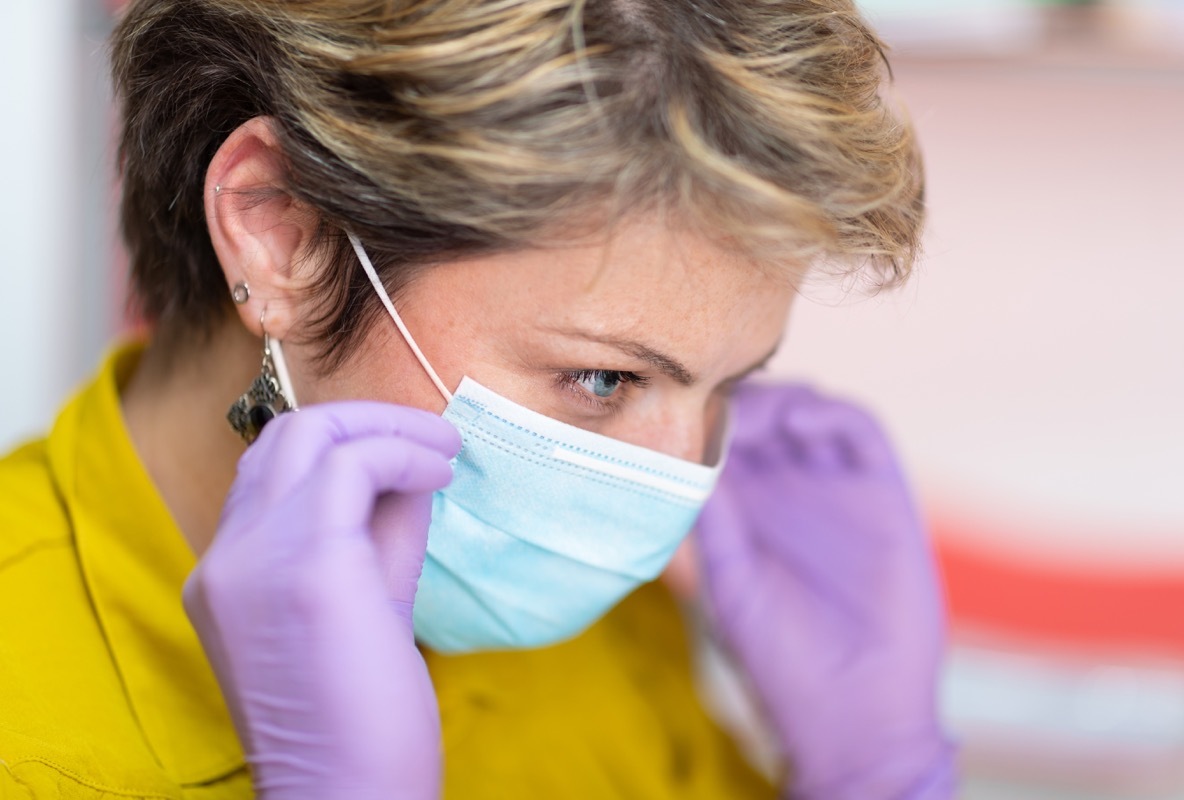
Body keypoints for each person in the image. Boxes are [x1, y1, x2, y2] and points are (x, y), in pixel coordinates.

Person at [0, 0, 954, 798]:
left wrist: (878, 777)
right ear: (281, 232)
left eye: (728, 384)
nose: (678, 480)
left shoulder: (564, 608)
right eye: (603, 379)